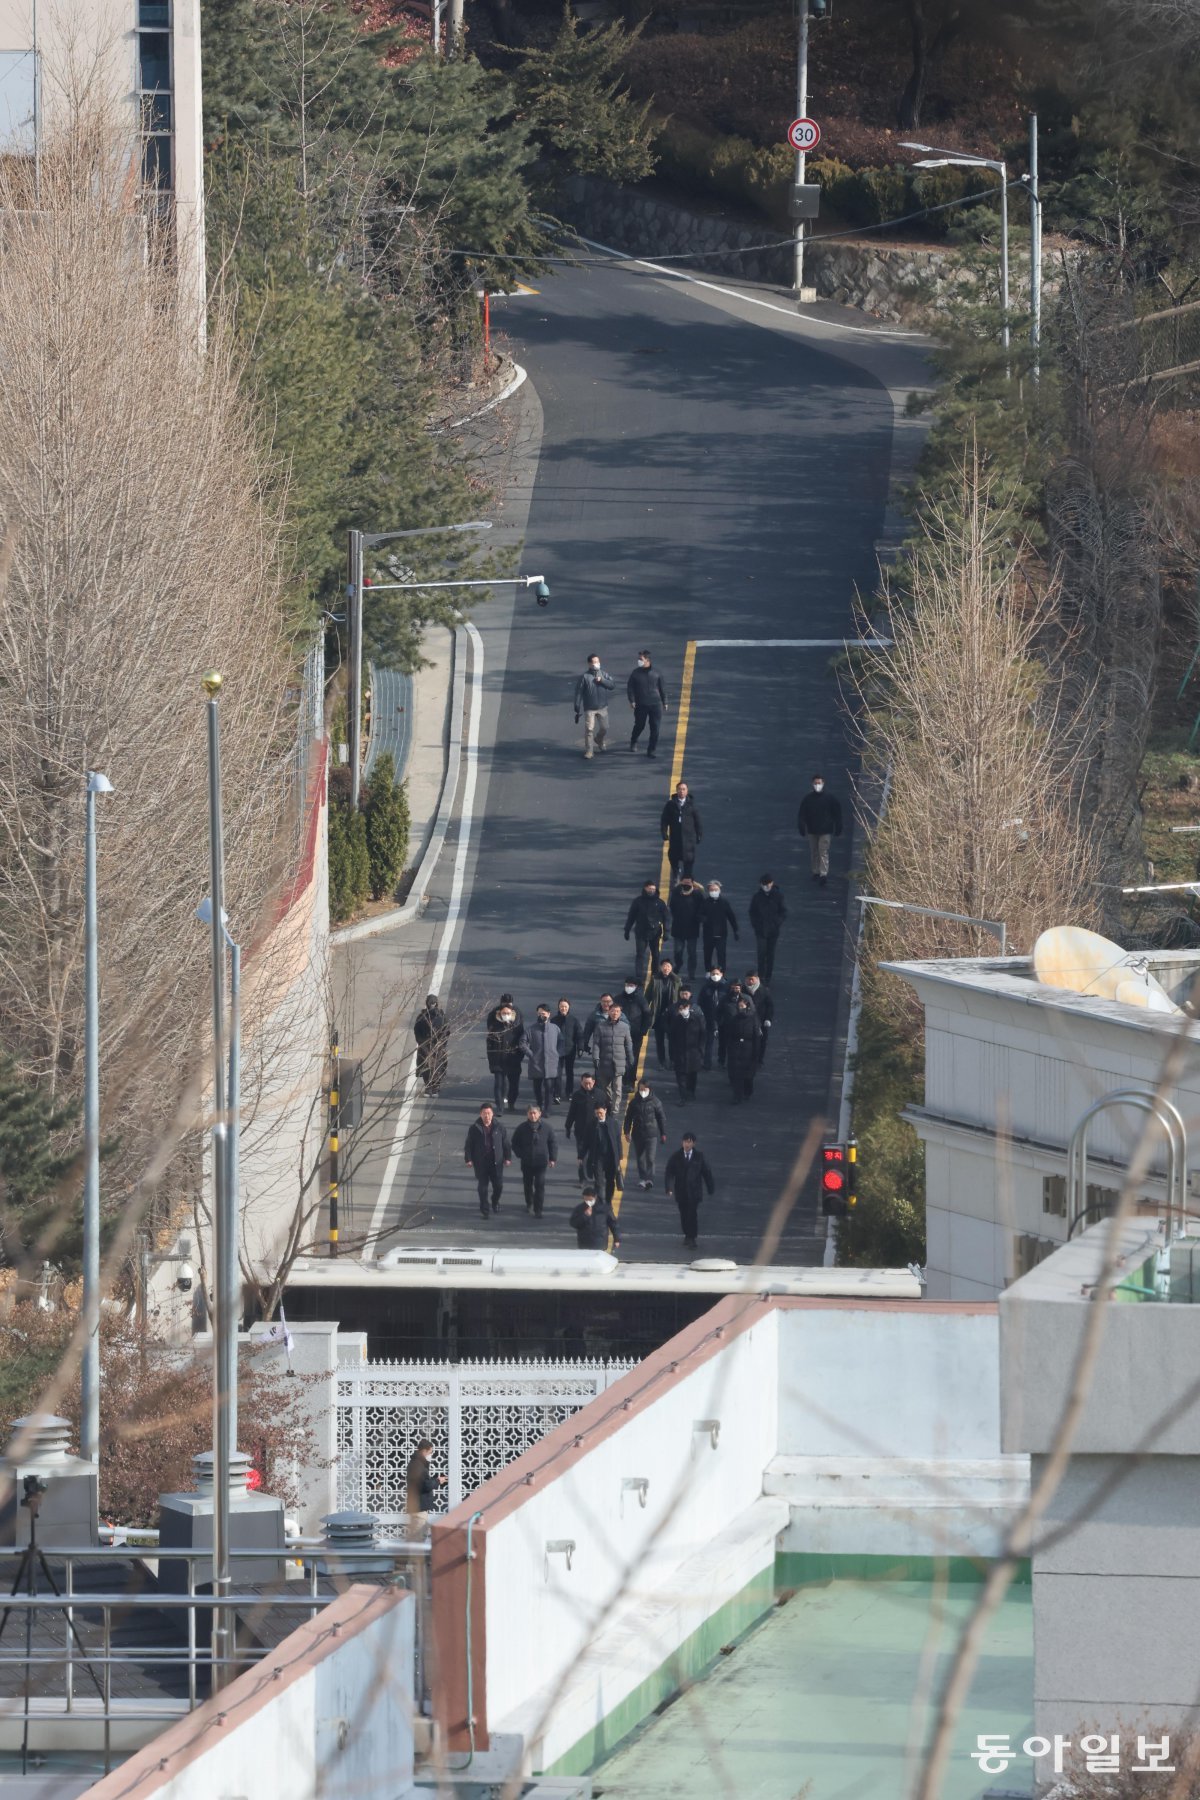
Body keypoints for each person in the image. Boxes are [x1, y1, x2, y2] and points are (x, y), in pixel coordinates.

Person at [664, 1131, 715, 1251]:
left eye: (689, 1142)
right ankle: (687, 1234)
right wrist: (669, 1188)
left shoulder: (699, 1157)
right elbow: (669, 1173)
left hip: (694, 1192)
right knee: (684, 1214)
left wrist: (710, 1187)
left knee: (692, 1214)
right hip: (681, 1191)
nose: (687, 1144)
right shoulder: (676, 1157)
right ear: (682, 1142)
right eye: (685, 1142)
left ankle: (692, 1237)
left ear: (693, 1143)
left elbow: (706, 1173)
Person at [464, 1104, 511, 1217]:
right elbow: (469, 1145)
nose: (487, 1116)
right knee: (482, 1187)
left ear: (492, 1114)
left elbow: (506, 1144)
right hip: (481, 1163)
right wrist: (468, 1159)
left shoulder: (499, 1127)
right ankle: (485, 1209)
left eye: (489, 1113)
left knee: (498, 1186)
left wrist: (507, 1158)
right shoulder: (474, 1128)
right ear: (480, 1114)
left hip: (496, 1162)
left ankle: (495, 1201)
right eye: (484, 1113)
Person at [511, 1104, 558, 1217]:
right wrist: (520, 1154)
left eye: (535, 1113)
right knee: (527, 1184)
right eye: (530, 1113)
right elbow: (514, 1143)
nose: (533, 1115)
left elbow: (553, 1143)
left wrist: (552, 1158)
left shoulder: (547, 1128)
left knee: (539, 1185)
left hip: (541, 1162)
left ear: (539, 1114)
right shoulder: (522, 1128)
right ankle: (529, 1202)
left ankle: (538, 1209)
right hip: (526, 1162)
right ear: (527, 1114)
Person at [797, 773, 843, 886]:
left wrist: (839, 826)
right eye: (816, 783)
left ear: (823, 783)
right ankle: (816, 871)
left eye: (819, 783)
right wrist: (801, 826)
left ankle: (823, 874)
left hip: (825, 831)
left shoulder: (830, 798)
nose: (817, 785)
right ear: (812, 784)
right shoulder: (808, 799)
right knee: (814, 852)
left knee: (823, 852)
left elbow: (837, 813)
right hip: (812, 830)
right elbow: (802, 814)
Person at [591, 1003, 634, 1114]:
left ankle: (614, 1110)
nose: (615, 1013)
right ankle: (608, 1105)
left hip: (618, 1064)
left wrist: (630, 1058)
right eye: (613, 1011)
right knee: (605, 1088)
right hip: (604, 1063)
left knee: (618, 1089)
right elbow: (596, 1044)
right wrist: (595, 1057)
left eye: (617, 1011)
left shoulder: (625, 1027)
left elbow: (628, 1044)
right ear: (609, 1012)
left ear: (620, 1013)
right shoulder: (601, 1026)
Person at [624, 1081, 667, 1189]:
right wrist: (626, 1131)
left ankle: (650, 1179)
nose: (642, 1091)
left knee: (650, 1158)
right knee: (640, 1158)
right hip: (638, 1134)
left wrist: (663, 1133)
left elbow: (661, 1118)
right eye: (641, 1089)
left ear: (649, 1089)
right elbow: (628, 1118)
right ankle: (643, 1178)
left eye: (645, 1089)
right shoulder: (634, 1103)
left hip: (651, 1134)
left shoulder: (656, 1102)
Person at [485, 998, 525, 1112]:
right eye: (504, 1013)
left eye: (508, 1013)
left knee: (514, 1086)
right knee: (499, 1085)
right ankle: (499, 1107)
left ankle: (511, 1103)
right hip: (498, 1060)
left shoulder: (517, 1027)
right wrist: (492, 1060)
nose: (506, 1015)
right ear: (500, 1013)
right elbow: (489, 1044)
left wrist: (519, 1057)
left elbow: (522, 1042)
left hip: (513, 1060)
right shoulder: (495, 1027)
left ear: (512, 1013)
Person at [627, 650, 669, 757]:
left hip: (655, 704)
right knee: (639, 725)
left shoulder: (656, 673)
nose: (639, 661)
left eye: (641, 659)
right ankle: (634, 740)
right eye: (638, 659)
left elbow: (662, 688)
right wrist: (632, 700)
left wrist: (665, 702)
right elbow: (630, 688)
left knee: (655, 727)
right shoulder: (635, 673)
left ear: (647, 660)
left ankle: (651, 749)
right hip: (641, 704)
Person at [574, 651, 615, 760]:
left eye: (597, 661)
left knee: (604, 728)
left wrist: (602, 681)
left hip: (602, 707)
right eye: (594, 662)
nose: (596, 664)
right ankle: (589, 751)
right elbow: (579, 692)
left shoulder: (604, 674)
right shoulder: (585, 677)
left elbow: (612, 685)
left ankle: (599, 739)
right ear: (589, 664)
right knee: (589, 730)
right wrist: (577, 705)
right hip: (590, 709)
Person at [624, 881, 669, 977]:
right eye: (649, 888)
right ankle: (639, 975)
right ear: (645, 888)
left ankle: (655, 973)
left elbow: (666, 918)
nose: (651, 891)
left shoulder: (660, 903)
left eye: (653, 889)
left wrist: (666, 932)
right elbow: (631, 916)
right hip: (641, 932)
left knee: (655, 954)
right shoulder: (638, 901)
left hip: (655, 932)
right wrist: (627, 930)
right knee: (640, 954)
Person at [565, 1072, 604, 1182]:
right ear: (581, 1083)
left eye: (589, 1083)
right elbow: (572, 1112)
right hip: (581, 1131)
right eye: (585, 1083)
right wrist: (568, 1127)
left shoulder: (600, 1095)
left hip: (597, 1131)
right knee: (582, 1156)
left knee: (596, 1156)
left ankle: (597, 1176)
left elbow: (607, 1112)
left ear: (594, 1082)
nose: (587, 1086)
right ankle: (582, 1178)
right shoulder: (577, 1096)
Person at [660, 780, 703, 881]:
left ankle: (687, 877)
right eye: (679, 789)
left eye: (684, 789)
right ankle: (676, 871)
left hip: (689, 838)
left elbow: (698, 821)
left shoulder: (692, 805)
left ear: (687, 791)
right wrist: (664, 832)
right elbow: (664, 819)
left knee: (689, 858)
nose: (681, 791)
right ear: (676, 790)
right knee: (673, 856)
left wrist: (699, 834)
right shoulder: (670, 805)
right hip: (675, 837)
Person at [749, 874, 787, 983]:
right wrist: (755, 924)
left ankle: (768, 976)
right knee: (761, 953)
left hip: (773, 930)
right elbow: (752, 912)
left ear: (772, 883)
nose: (766, 886)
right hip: (760, 930)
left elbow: (783, 912)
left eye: (768, 884)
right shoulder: (757, 897)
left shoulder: (778, 896)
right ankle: (761, 976)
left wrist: (777, 923)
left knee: (770, 954)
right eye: (764, 884)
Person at [584, 1102, 623, 1206]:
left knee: (610, 1181)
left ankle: (608, 1201)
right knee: (598, 1182)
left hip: (610, 1157)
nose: (599, 1115)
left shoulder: (613, 1123)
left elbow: (618, 1141)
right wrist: (581, 1155)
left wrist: (619, 1157)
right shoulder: (591, 1125)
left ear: (605, 1110)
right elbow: (586, 1142)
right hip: (598, 1158)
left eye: (600, 1113)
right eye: (597, 1113)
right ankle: (600, 1202)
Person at [668, 993, 705, 1103]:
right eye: (680, 1008)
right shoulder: (676, 1020)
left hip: (693, 1053)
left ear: (688, 1007)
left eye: (684, 1008)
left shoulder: (697, 1019)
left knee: (692, 1075)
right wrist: (673, 1054)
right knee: (680, 1076)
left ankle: (691, 1093)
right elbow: (672, 1038)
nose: (682, 1010)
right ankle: (683, 1096)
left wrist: (700, 1051)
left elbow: (703, 1035)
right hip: (680, 1053)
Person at [725, 995, 762, 1102]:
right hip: (736, 1049)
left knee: (748, 1074)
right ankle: (737, 1096)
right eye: (739, 1006)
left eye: (743, 1006)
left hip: (748, 1048)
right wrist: (730, 1048)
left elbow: (756, 1036)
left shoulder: (753, 1018)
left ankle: (748, 1091)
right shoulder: (734, 1019)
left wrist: (756, 1052)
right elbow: (730, 1035)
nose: (741, 1008)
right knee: (737, 1074)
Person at [525, 1004, 561, 1112]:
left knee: (549, 1088)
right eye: (540, 1013)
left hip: (551, 1064)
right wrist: (531, 1054)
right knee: (537, 1088)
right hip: (536, 1064)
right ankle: (539, 1105)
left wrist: (557, 1054)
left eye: (544, 1013)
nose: (542, 1015)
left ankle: (547, 1109)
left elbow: (561, 1042)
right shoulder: (531, 1029)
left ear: (549, 1014)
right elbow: (523, 1043)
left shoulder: (555, 1028)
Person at [669, 875, 705, 978]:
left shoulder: (697, 894)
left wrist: (699, 918)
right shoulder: (676, 893)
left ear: (692, 883)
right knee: (677, 951)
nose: (686, 885)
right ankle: (679, 964)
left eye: (688, 883)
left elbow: (702, 908)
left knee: (692, 952)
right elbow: (672, 907)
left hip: (692, 928)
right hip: (678, 928)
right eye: (684, 883)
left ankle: (691, 973)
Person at [413, 993, 448, 1097]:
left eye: (434, 1003)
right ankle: (428, 1086)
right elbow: (417, 1031)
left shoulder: (442, 1016)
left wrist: (441, 1043)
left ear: (437, 1003)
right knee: (425, 1066)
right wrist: (422, 1043)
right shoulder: (421, 1017)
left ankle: (436, 1086)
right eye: (430, 1003)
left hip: (438, 1045)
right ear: (427, 1003)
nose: (432, 1005)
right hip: (425, 1046)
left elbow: (446, 1031)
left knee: (438, 1066)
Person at [649, 958, 682, 1068]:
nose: (666, 968)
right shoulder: (655, 979)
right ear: (660, 967)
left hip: (671, 1016)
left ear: (671, 968)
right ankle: (661, 1061)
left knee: (672, 1040)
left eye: (668, 966)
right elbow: (647, 996)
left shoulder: (677, 981)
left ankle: (672, 1060)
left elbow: (681, 996)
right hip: (658, 1015)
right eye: (664, 966)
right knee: (659, 1040)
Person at [404, 1438, 446, 1526]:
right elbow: (425, 1485)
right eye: (430, 1452)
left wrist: (435, 1480)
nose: (431, 1455)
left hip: (418, 1506)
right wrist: (438, 1481)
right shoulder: (417, 1465)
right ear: (424, 1451)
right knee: (418, 1537)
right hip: (419, 1507)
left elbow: (422, 1481)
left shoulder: (417, 1463)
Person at [702, 879, 739, 973]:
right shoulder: (705, 903)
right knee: (707, 954)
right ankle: (708, 971)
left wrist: (736, 930)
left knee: (721, 955)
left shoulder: (724, 902)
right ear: (708, 891)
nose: (714, 891)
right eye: (711, 890)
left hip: (721, 934)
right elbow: (698, 914)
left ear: (719, 890)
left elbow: (731, 916)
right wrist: (703, 919)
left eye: (716, 889)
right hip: (708, 934)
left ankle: (722, 973)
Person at [570, 1186, 621, 1251]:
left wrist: (617, 1239)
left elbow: (613, 1224)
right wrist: (585, 1216)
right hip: (584, 1243)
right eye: (586, 1200)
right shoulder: (579, 1209)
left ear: (595, 1197)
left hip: (600, 1242)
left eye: (590, 1200)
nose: (588, 1202)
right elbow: (573, 1223)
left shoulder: (605, 1209)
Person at [697, 965, 727, 1071]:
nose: (715, 976)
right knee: (708, 1042)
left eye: (717, 974)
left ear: (721, 975)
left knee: (723, 1042)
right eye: (713, 974)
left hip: (723, 1019)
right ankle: (707, 1063)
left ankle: (721, 1062)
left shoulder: (726, 987)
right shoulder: (706, 987)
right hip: (709, 1018)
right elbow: (700, 1002)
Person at [554, 997, 582, 1100]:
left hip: (570, 1050)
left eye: (565, 1006)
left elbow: (579, 1035)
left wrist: (580, 1048)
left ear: (569, 1007)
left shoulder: (574, 1020)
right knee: (557, 1073)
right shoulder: (553, 1020)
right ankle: (556, 1094)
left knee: (569, 1072)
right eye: (561, 1006)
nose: (563, 1008)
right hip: (557, 1051)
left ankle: (569, 1092)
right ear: (558, 1007)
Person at [745, 971, 774, 1065]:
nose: (750, 981)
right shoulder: (743, 990)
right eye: (748, 979)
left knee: (761, 1041)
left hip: (761, 1020)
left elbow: (770, 1006)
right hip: (747, 1021)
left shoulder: (764, 991)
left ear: (757, 979)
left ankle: (759, 1059)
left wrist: (768, 1019)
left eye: (752, 979)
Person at [619, 976, 650, 1062]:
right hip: (620, 1033)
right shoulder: (618, 999)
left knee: (633, 1057)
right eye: (627, 985)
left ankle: (631, 1075)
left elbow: (647, 1016)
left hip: (635, 1034)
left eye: (631, 985)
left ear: (636, 987)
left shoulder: (641, 1000)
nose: (629, 987)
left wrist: (643, 1031)